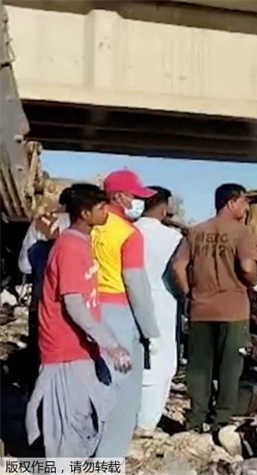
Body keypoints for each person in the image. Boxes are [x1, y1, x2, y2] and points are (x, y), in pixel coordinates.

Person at [25, 184, 132, 457]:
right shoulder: (70, 247)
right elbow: (74, 304)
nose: (106, 212)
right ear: (85, 213)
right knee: (68, 426)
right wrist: (111, 344)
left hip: (79, 347)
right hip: (65, 347)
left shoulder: (81, 242)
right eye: (100, 208)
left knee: (83, 417)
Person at [172, 184, 257, 431]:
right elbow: (248, 268)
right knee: (230, 367)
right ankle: (221, 419)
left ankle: (197, 416)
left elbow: (178, 267)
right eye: (244, 201)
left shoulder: (196, 231)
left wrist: (189, 294)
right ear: (231, 203)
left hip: (200, 309)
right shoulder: (242, 233)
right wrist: (253, 282)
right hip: (233, 310)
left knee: (199, 367)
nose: (246, 207)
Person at [91, 169, 159, 456]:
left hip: (87, 309)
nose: (136, 201)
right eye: (133, 195)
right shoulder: (128, 233)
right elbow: (136, 284)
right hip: (118, 312)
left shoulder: (85, 226)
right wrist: (150, 331)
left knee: (93, 385)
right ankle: (108, 461)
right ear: (119, 196)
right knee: (122, 397)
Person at [134, 187, 184, 434]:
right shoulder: (173, 238)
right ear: (165, 207)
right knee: (161, 363)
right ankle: (146, 423)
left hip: (126, 300)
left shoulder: (128, 231)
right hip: (162, 303)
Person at [18, 188, 72, 373]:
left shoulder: (41, 223)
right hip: (73, 304)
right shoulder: (87, 227)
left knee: (38, 355)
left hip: (41, 301)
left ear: (61, 202)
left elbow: (24, 266)